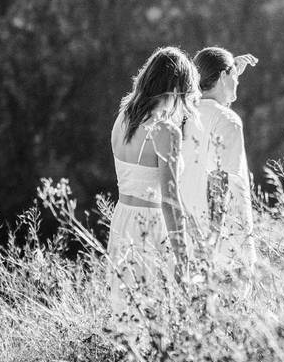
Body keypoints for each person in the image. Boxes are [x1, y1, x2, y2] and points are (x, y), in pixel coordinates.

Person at [108, 46, 199, 314]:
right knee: (162, 313)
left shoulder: (124, 117)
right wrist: (183, 257)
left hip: (123, 219)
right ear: (176, 88)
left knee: (127, 312)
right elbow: (169, 201)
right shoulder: (165, 131)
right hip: (152, 226)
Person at [181, 47, 258, 272]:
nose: (238, 82)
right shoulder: (228, 121)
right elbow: (220, 180)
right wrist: (213, 242)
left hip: (186, 235)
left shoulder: (183, 115)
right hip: (223, 244)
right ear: (223, 76)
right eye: (234, 77)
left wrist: (230, 71)